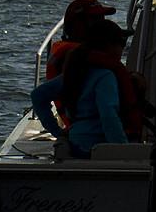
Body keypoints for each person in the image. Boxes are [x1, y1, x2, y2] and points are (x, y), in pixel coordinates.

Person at [31, 16, 142, 157]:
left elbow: (38, 95)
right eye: (121, 43)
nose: (122, 49)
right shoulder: (105, 76)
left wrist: (57, 132)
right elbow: (108, 114)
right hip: (97, 147)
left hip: (75, 143)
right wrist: (122, 150)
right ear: (110, 46)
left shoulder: (76, 72)